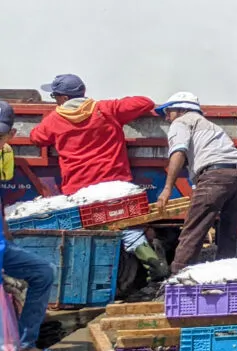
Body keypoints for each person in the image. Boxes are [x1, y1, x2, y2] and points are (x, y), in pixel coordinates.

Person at [28, 74, 166, 285]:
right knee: (128, 228)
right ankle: (155, 268)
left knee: (86, 235)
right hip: (116, 186)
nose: (55, 100)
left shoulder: (55, 119)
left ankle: (93, 283)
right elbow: (144, 102)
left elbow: (36, 137)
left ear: (63, 98)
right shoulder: (105, 109)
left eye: (55, 96)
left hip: (80, 191)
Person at [0, 101, 67, 351]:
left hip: (2, 245)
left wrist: (6, 234)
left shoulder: (5, 155)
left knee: (43, 272)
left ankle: (26, 345)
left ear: (11, 136)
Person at [155, 92, 237, 273]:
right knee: (229, 230)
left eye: (169, 112)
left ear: (182, 110)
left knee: (194, 229)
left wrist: (167, 188)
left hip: (216, 175)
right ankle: (225, 275)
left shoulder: (181, 122)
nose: (167, 117)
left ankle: (178, 280)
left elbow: (178, 152)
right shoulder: (212, 126)